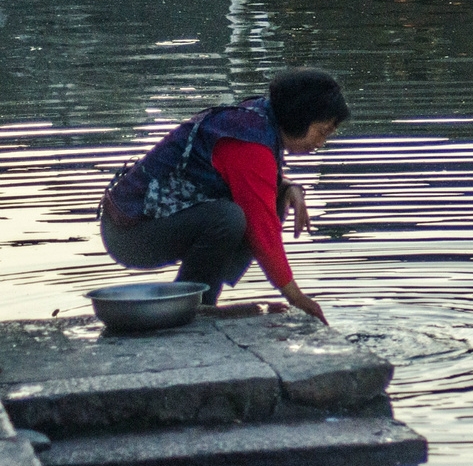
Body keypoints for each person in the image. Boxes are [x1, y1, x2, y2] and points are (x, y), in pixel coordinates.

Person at [98, 68, 350, 324]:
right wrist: (297, 297)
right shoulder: (250, 141)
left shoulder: (258, 119)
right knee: (228, 218)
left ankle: (199, 301)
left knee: (270, 199)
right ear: (299, 117)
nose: (320, 143)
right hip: (130, 233)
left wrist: (289, 188)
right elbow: (262, 230)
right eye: (322, 131)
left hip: (152, 222)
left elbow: (249, 180)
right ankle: (197, 308)